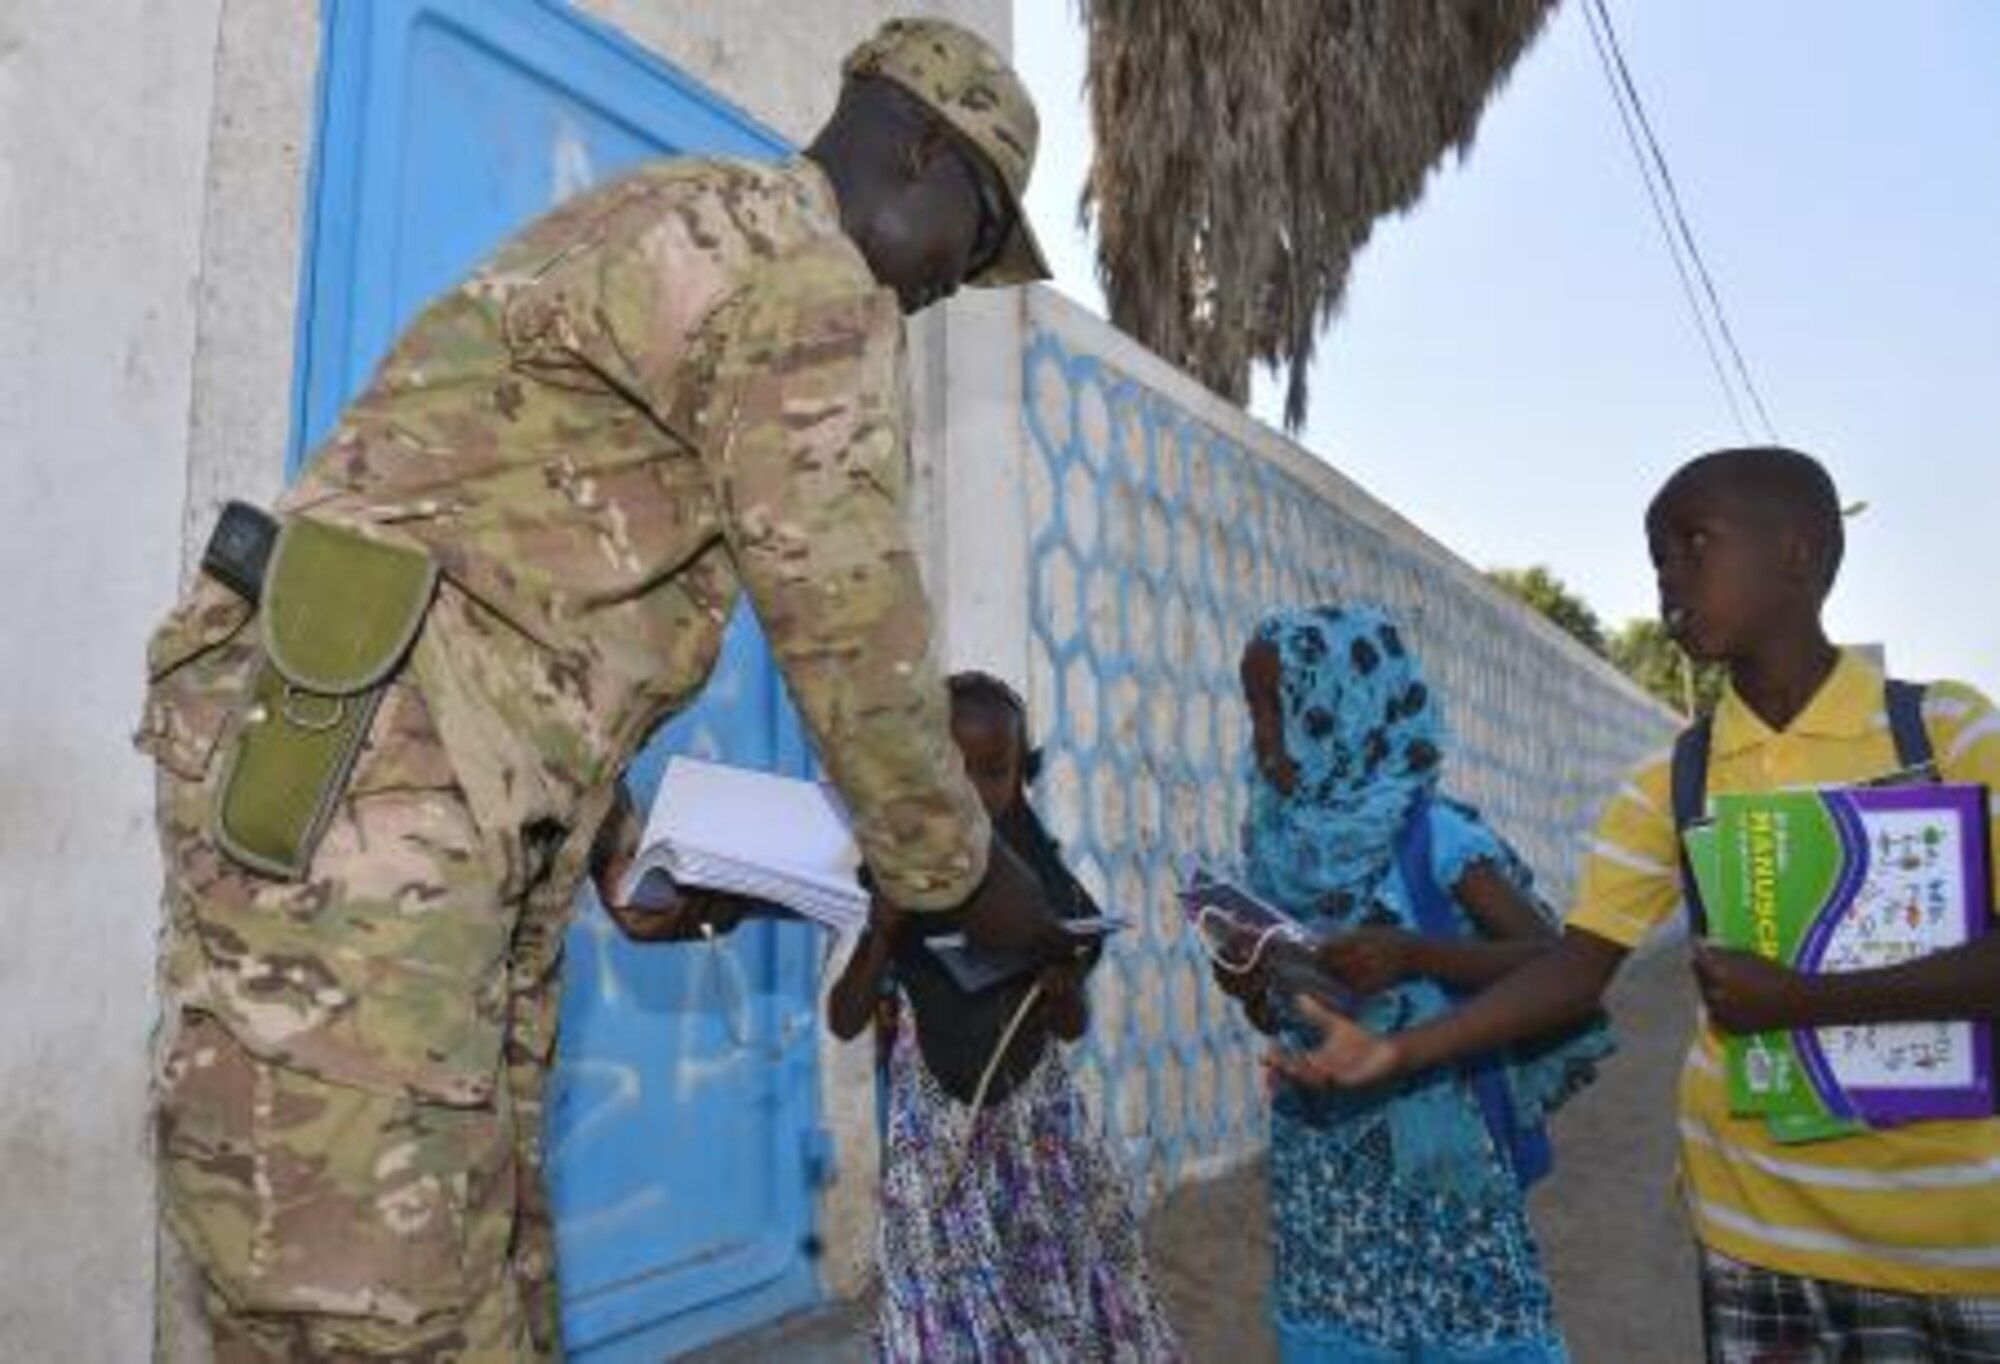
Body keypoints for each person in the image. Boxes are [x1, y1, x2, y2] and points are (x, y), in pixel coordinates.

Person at [137, 19, 1067, 1361]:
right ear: (920, 143)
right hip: (372, 835)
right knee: (376, 1310)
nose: (949, 287)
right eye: (973, 241)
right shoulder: (807, 277)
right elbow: (852, 631)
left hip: (388, 796)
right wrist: (976, 881)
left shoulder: (675, 215)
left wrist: (618, 844)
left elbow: (497, 579)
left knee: (465, 1278)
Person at [1273, 448, 2000, 1362]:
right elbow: (1575, 969)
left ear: (1799, 553)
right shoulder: (1672, 778)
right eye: (1656, 558)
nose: (1667, 580)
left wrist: (1808, 1003)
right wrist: (1397, 1051)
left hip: (1952, 1241)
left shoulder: (1945, 734)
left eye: (1693, 545)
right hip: (1757, 1232)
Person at [1213, 604, 1607, 1363]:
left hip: (1445, 1169)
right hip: (1326, 1168)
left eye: (1285, 708)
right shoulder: (1277, 840)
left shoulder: (1436, 836)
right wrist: (1254, 982)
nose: (1265, 736)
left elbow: (1554, 961)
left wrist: (1420, 955)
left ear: (1344, 709)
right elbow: (1293, 1000)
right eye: (1254, 709)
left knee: (1471, 1337)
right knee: (1340, 1336)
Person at [828, 671, 1184, 1362]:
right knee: (937, 1299)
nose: (975, 795)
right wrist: (882, 931)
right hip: (937, 1137)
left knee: (1048, 1292)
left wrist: (1060, 984)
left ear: (1020, 778)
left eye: (993, 773)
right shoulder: (897, 866)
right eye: (955, 772)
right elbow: (844, 1018)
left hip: (1034, 1132)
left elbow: (1073, 1025)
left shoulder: (1039, 874)